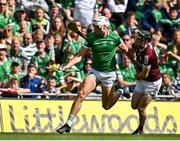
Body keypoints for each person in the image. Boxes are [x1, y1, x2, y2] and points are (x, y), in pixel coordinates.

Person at [56, 16, 129, 133]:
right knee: (81, 94)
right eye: (94, 26)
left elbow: (125, 49)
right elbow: (79, 56)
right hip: (95, 71)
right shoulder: (91, 37)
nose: (94, 29)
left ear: (105, 27)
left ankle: (120, 91)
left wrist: (111, 50)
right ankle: (68, 124)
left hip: (109, 74)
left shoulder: (115, 37)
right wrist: (67, 65)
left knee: (106, 106)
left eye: (96, 27)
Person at [129, 30, 162, 134]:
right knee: (133, 105)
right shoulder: (138, 45)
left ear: (144, 41)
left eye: (138, 39)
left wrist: (135, 76)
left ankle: (140, 129)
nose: (136, 40)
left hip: (152, 83)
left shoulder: (148, 54)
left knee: (140, 108)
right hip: (142, 80)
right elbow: (128, 49)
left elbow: (144, 74)